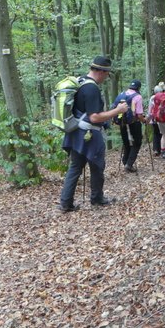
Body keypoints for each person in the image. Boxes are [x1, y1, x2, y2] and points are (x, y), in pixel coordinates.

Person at [58, 56, 129, 212]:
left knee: (75, 166)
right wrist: (118, 111)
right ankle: (97, 198)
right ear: (101, 72)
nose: (106, 77)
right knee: (97, 166)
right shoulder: (92, 88)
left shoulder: (80, 82)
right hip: (89, 133)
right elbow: (94, 117)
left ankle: (65, 202)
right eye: (107, 74)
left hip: (76, 131)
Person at [116, 79, 146, 172]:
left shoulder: (121, 94)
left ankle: (125, 162)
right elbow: (139, 114)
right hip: (134, 122)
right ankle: (129, 164)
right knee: (137, 142)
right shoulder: (137, 97)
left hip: (122, 122)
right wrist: (144, 120)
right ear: (138, 88)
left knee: (126, 143)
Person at [148, 84, 164, 156]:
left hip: (154, 119)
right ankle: (161, 149)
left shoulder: (152, 98)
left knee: (156, 133)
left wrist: (149, 118)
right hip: (162, 118)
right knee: (162, 133)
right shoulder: (163, 96)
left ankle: (155, 149)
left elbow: (150, 109)